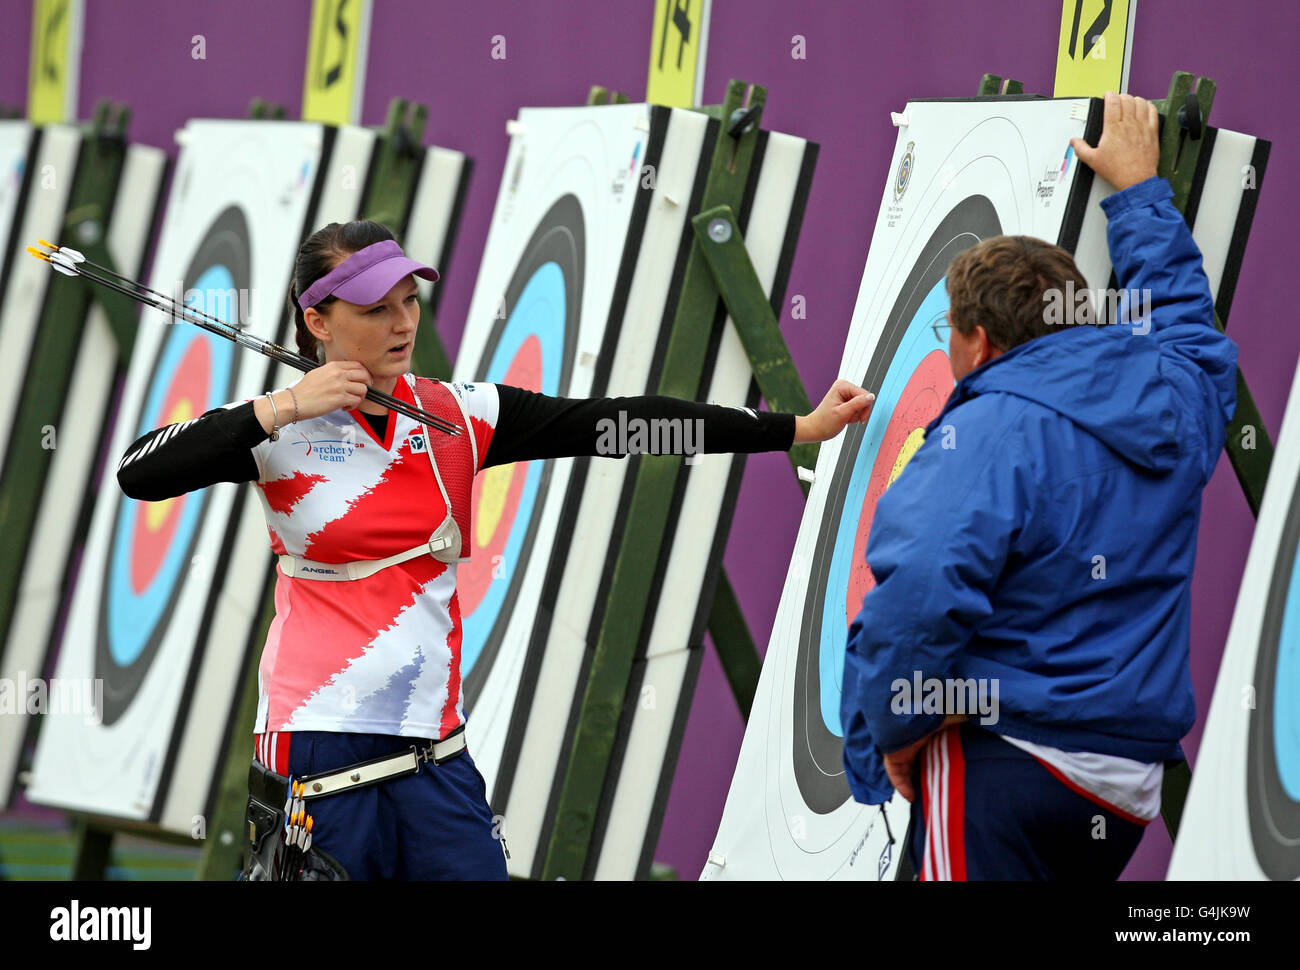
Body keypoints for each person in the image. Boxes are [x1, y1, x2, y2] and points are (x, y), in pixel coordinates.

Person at [117, 218, 875, 880]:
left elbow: (615, 425)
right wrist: (281, 406)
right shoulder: (273, 429)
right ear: (317, 322)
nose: (402, 322)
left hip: (434, 755)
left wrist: (792, 429)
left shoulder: (458, 414)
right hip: (316, 747)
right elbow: (140, 472)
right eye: (375, 309)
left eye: (409, 301)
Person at [839, 92, 1237, 880]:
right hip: (1122, 789)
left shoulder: (982, 431)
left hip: (1007, 758)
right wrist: (1140, 194)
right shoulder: (1173, 394)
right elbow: (1186, 323)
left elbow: (918, 593)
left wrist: (884, 733)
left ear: (978, 338)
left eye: (946, 332)